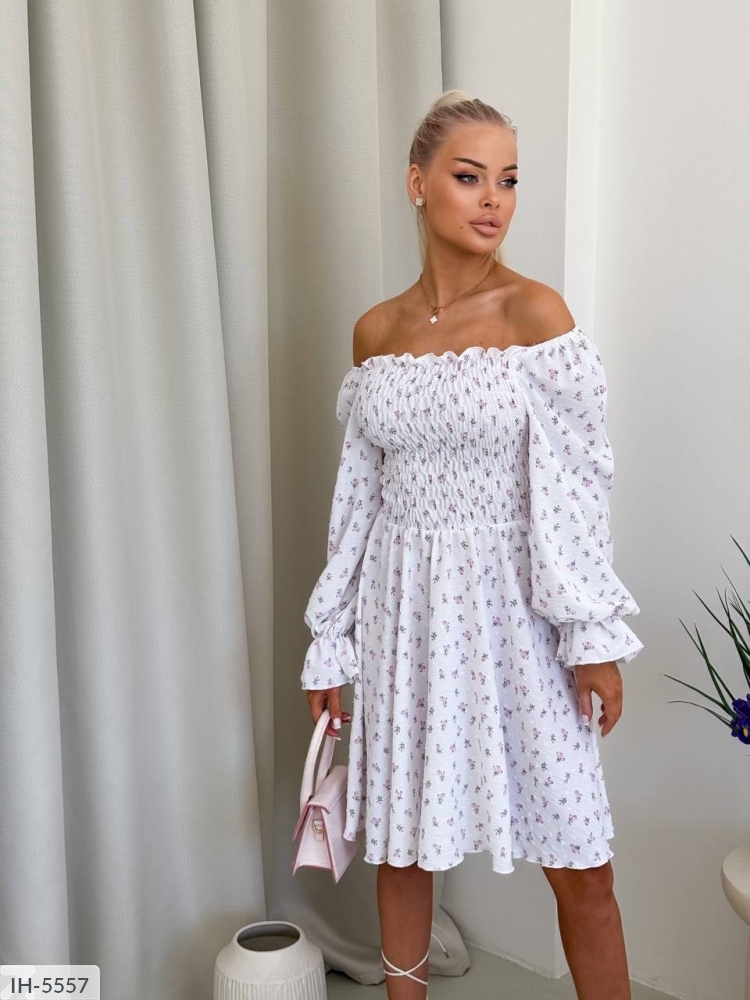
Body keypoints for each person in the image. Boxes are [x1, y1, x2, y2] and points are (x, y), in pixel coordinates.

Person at [300, 88, 644, 1000]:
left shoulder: (536, 315)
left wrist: (592, 637)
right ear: (418, 184)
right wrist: (329, 641)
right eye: (469, 177)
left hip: (518, 615)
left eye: (509, 180)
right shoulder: (376, 331)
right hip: (403, 615)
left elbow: (576, 491)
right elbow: (357, 504)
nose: (493, 199)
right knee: (403, 843)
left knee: (582, 860)